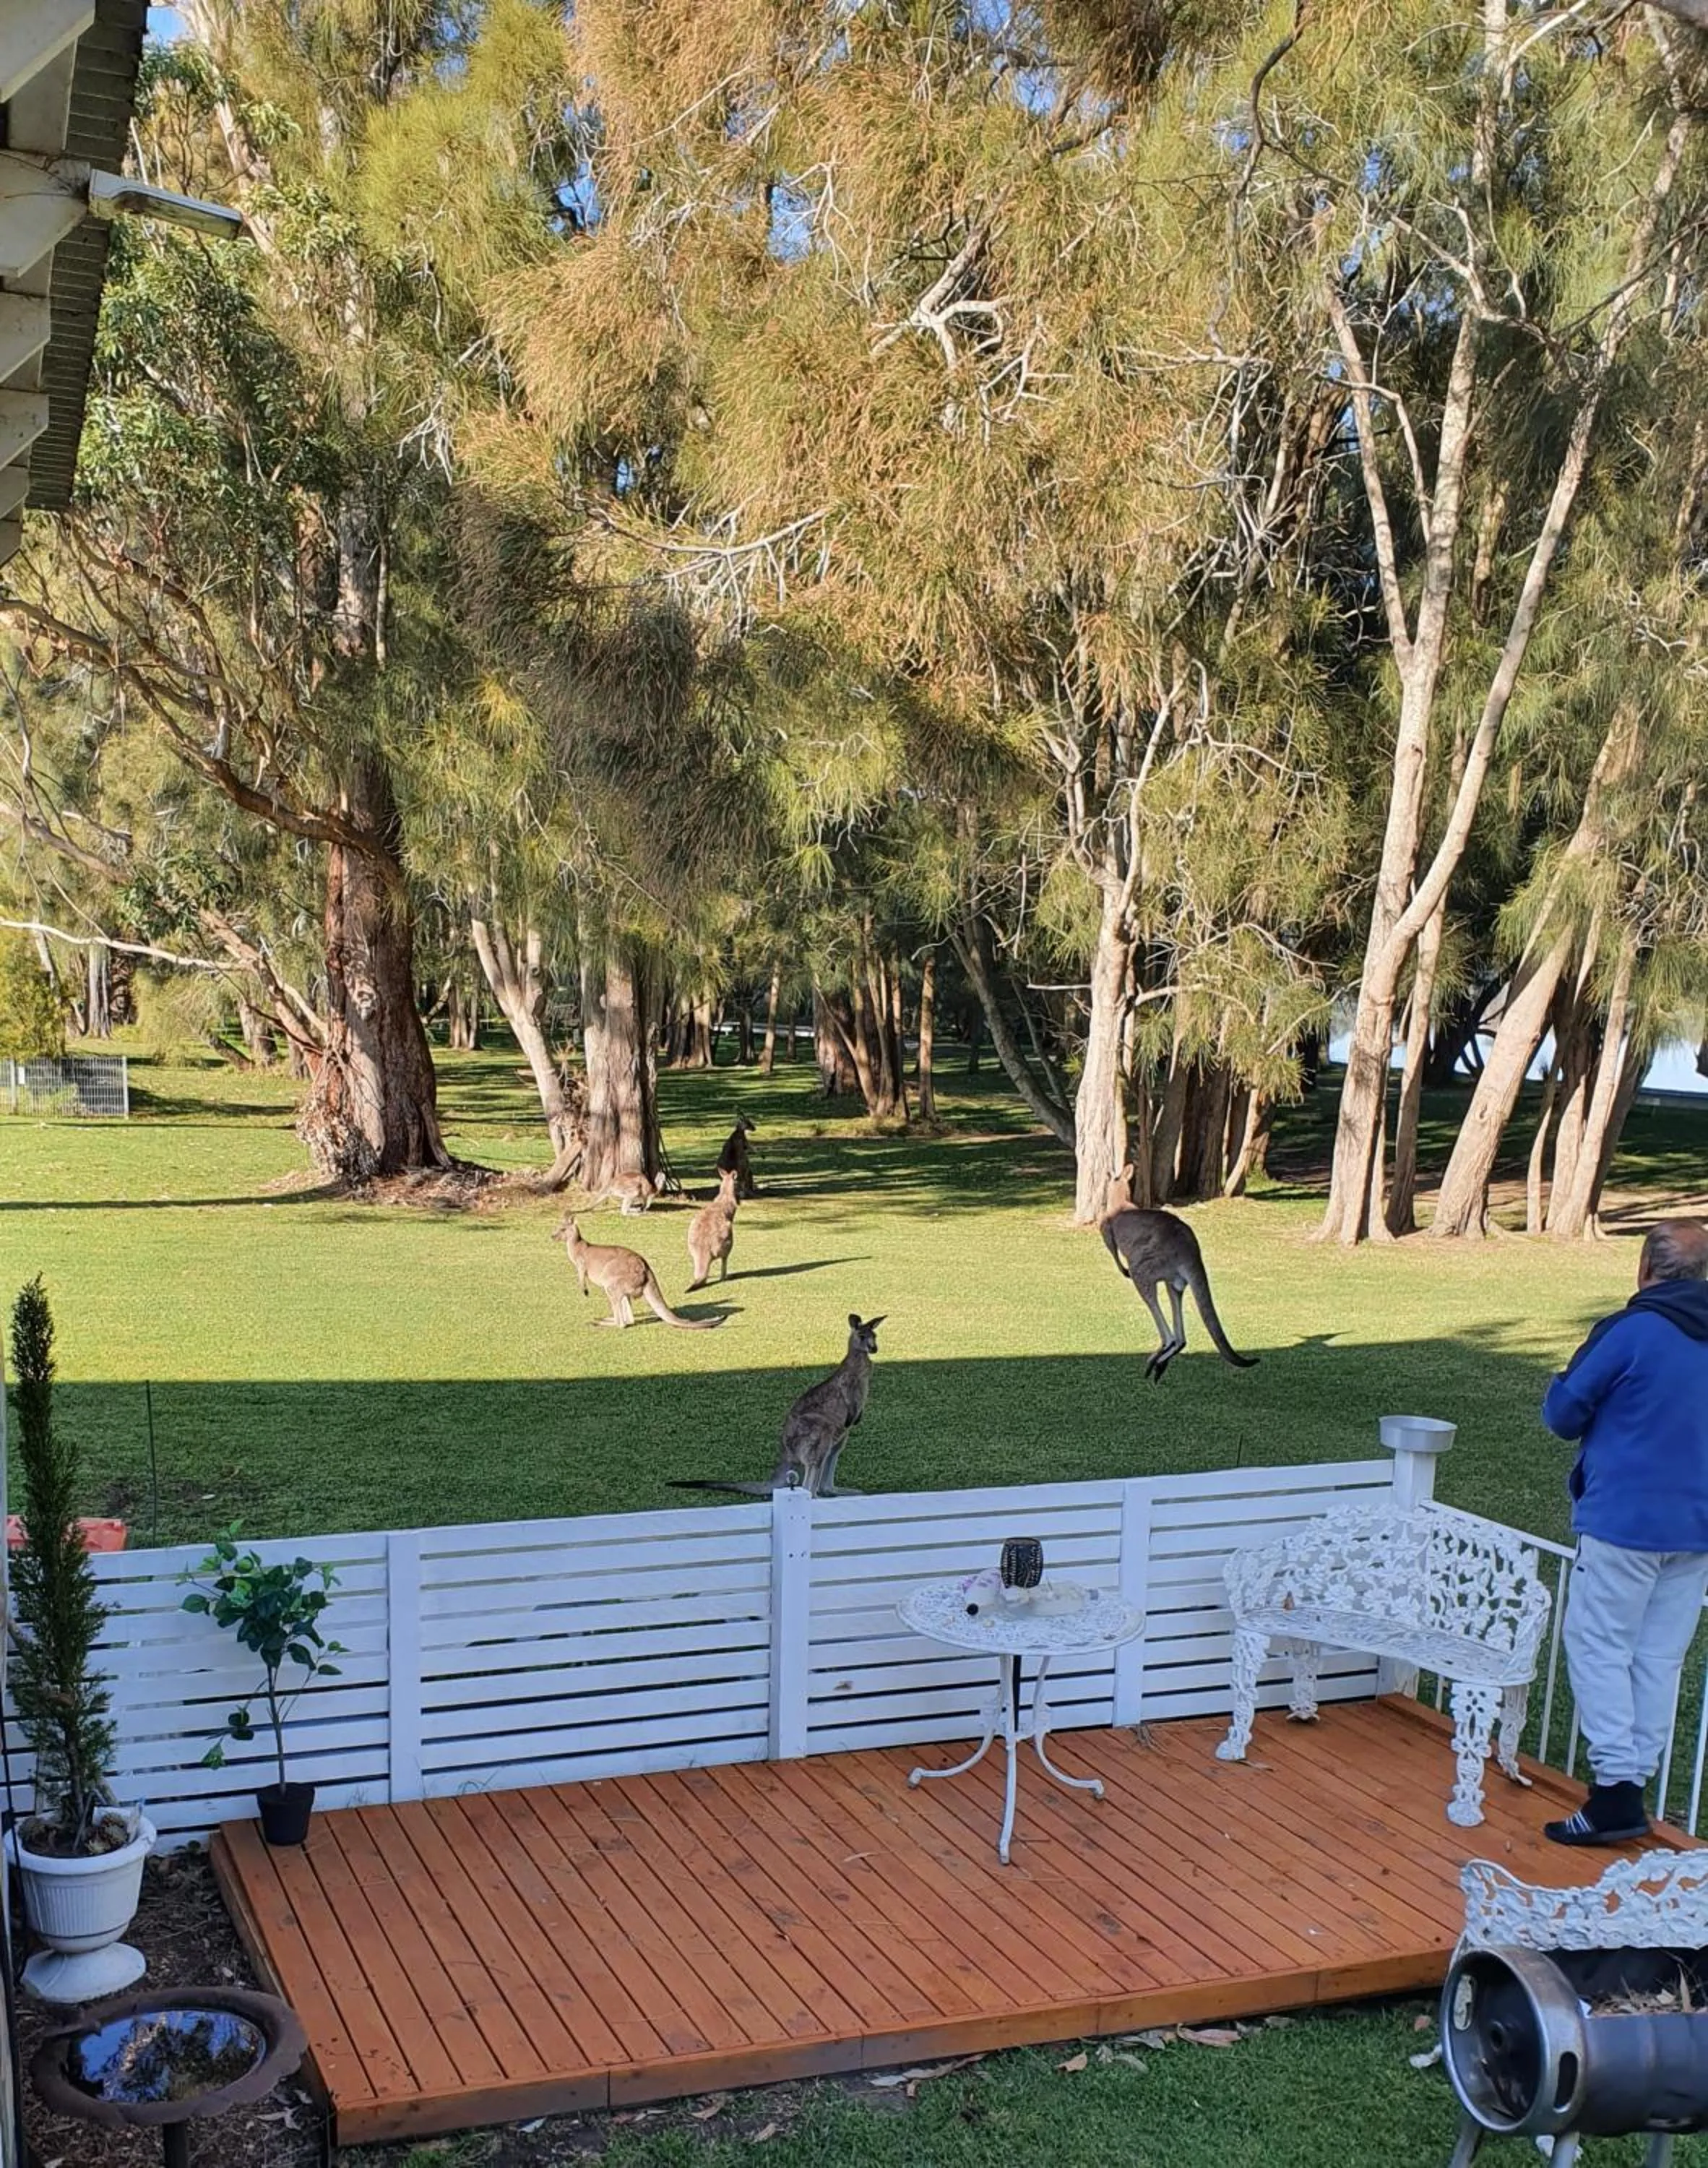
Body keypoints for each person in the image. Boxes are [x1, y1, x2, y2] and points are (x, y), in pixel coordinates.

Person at [1540, 1217, 1708, 1845]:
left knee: (1598, 1646)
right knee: (1659, 1659)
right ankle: (1631, 1788)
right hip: (1697, 1528)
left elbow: (1562, 1414)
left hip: (1623, 1522)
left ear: (1645, 1270)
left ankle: (1614, 1792)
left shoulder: (1632, 1331)